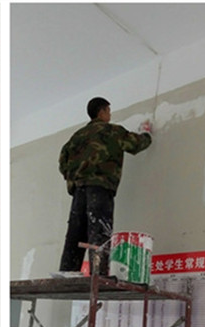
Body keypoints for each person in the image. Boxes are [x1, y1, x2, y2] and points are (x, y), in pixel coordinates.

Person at [58, 97, 152, 276]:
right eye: (108, 111)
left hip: (79, 190)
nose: (110, 114)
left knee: (75, 234)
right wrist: (146, 134)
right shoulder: (112, 131)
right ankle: (98, 275)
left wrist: (73, 179)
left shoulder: (77, 137)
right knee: (99, 231)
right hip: (100, 188)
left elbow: (63, 163)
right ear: (101, 112)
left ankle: (66, 273)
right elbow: (135, 144)